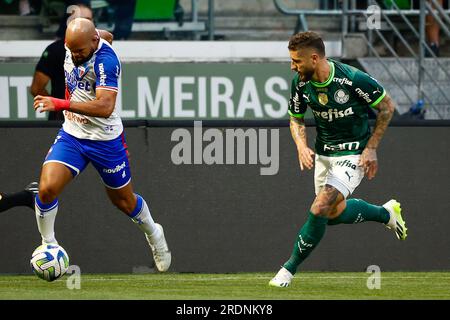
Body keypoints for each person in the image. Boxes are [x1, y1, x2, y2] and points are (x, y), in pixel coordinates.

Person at [31, 17, 171, 272]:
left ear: (93, 42)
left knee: (124, 201)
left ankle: (153, 232)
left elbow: (105, 107)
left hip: (105, 140)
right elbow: (106, 34)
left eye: (80, 52)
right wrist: (93, 38)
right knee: (47, 188)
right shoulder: (78, 44)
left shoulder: (106, 61)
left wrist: (60, 103)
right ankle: (48, 245)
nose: (74, 56)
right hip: (72, 134)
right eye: (71, 50)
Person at [269, 31, 407, 288]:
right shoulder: (300, 83)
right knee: (330, 215)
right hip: (324, 154)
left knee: (320, 206)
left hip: (353, 153)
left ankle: (287, 271)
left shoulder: (352, 79)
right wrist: (301, 145)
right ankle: (385, 213)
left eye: (296, 61)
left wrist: (371, 148)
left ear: (314, 58)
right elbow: (295, 117)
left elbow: (387, 107)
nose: (292, 66)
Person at [0, 4, 113, 213]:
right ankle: (45, 234)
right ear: (69, 24)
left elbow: (109, 37)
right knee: (52, 188)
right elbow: (37, 87)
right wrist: (57, 104)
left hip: (95, 129)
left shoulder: (102, 54)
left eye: (90, 20)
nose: (87, 25)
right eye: (81, 20)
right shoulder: (55, 51)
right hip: (62, 124)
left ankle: (27, 199)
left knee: (94, 194)